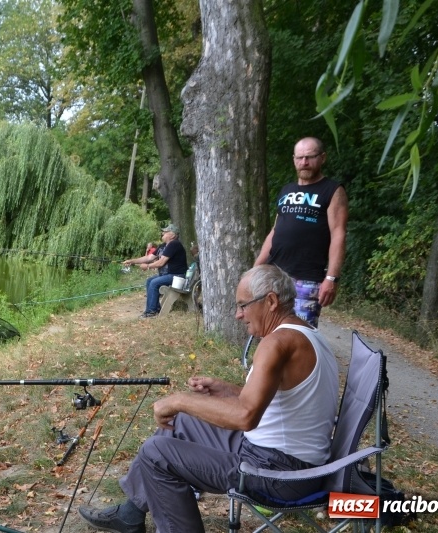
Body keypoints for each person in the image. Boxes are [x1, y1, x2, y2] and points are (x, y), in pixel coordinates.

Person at [78, 264, 339, 533]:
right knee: (181, 423)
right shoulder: (307, 334)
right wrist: (228, 390)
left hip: (280, 474)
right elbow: (284, 401)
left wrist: (180, 400)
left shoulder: (277, 342)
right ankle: (132, 514)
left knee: (155, 453)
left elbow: (245, 416)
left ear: (270, 301)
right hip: (288, 461)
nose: (238, 315)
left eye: (243, 305)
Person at [255, 137, 348, 328]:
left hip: (307, 279)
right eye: (299, 158)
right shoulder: (286, 190)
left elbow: (338, 233)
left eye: (309, 157)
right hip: (274, 276)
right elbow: (275, 231)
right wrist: (256, 268)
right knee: (269, 332)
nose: (304, 163)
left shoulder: (332, 190)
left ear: (322, 158)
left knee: (300, 336)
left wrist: (331, 278)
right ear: (293, 159)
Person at [122, 224, 187, 318]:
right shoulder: (163, 246)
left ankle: (150, 312)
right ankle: (155, 308)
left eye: (165, 232)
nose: (162, 234)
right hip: (168, 274)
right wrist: (132, 261)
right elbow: (149, 257)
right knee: (149, 281)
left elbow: (161, 262)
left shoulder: (174, 244)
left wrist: (148, 266)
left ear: (172, 235)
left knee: (154, 283)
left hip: (177, 276)